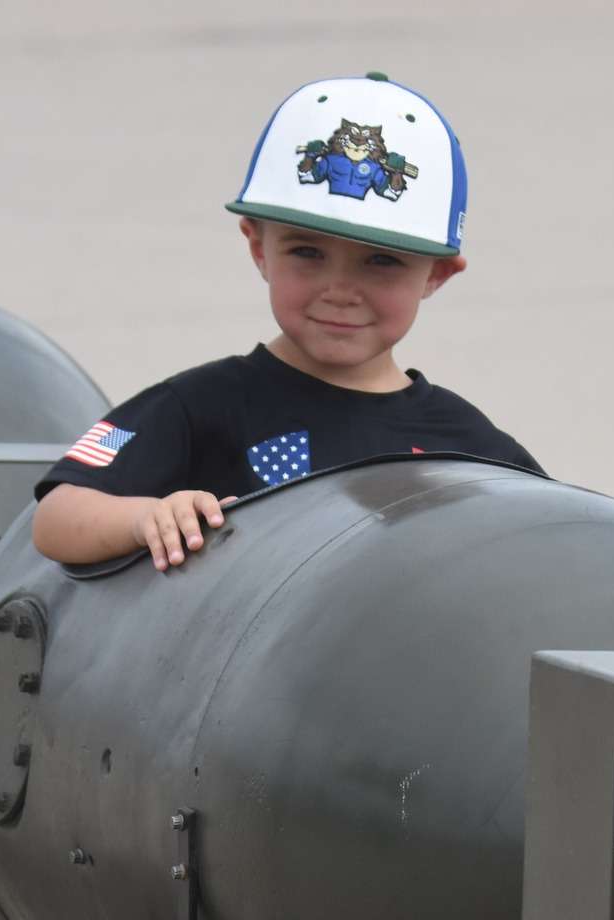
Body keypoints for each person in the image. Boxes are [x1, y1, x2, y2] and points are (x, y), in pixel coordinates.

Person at [32, 72, 540, 571]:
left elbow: (562, 552)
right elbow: (55, 517)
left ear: (437, 276)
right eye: (307, 252)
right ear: (258, 248)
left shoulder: (472, 447)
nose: (339, 291)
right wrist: (147, 516)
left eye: (381, 261)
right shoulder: (199, 407)